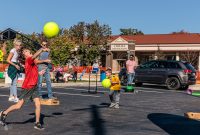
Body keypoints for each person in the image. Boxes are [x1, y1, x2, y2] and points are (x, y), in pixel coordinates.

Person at [0, 47, 50, 130]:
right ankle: (4, 113)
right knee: (18, 106)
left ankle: (37, 123)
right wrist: (42, 49)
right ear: (25, 55)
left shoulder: (33, 63)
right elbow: (35, 56)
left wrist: (39, 73)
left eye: (27, 51)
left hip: (34, 87)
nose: (27, 52)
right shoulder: (29, 60)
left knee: (38, 104)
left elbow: (33, 73)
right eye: (25, 52)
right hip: (27, 87)